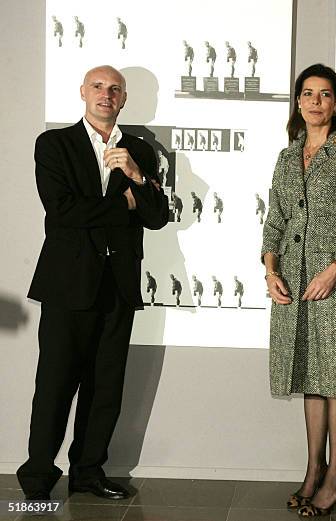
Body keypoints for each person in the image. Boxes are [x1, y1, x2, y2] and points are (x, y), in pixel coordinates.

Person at [17, 65, 169, 501]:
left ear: (124, 100)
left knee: (106, 387)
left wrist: (138, 180)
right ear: (83, 92)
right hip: (67, 284)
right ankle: (37, 476)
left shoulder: (139, 149)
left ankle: (88, 471)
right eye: (98, 87)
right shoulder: (54, 144)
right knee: (55, 383)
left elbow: (157, 217)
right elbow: (62, 212)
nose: (106, 94)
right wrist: (123, 202)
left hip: (117, 284)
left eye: (115, 89)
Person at [261, 63, 336, 517]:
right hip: (292, 282)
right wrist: (270, 269)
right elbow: (275, 219)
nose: (315, 102)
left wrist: (334, 270)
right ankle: (313, 470)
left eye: (324, 94)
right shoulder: (287, 157)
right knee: (311, 378)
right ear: (297, 102)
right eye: (307, 94)